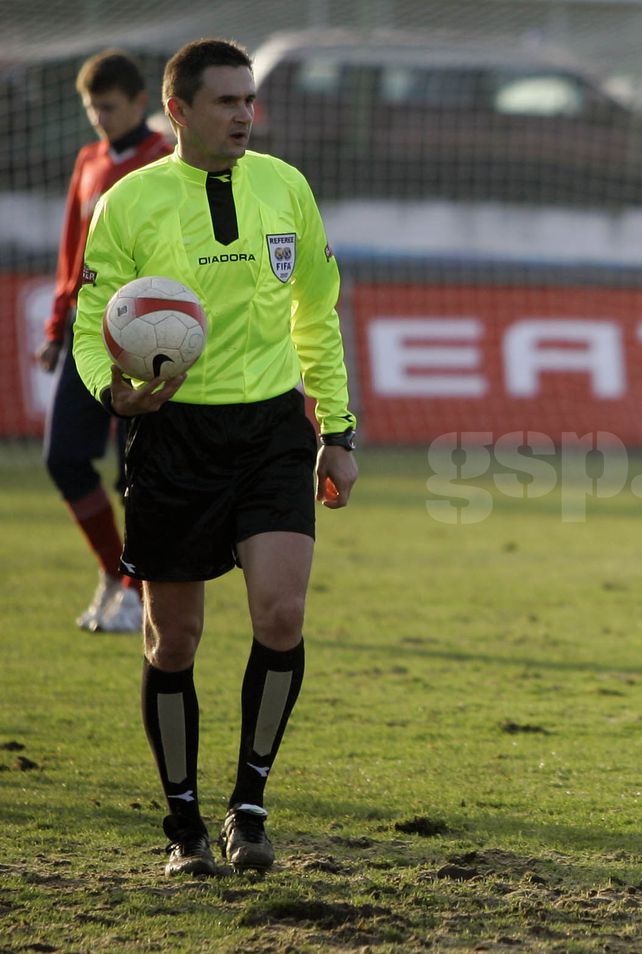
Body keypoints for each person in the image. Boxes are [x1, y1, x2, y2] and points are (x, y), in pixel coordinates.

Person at [72, 38, 359, 877]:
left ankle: (250, 807)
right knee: (175, 641)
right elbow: (96, 329)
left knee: (280, 616)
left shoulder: (286, 186)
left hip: (272, 431)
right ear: (179, 111)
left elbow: (318, 309)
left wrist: (336, 431)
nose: (244, 114)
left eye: (249, 99)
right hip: (173, 436)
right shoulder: (128, 204)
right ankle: (183, 824)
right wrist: (110, 394)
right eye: (227, 101)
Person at [39, 50, 173, 633]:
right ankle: (115, 573)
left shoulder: (166, 160)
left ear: (140, 103)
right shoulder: (90, 160)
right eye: (92, 109)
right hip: (86, 331)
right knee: (64, 457)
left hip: (143, 333)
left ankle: (139, 591)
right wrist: (55, 324)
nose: (99, 119)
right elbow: (73, 248)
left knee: (134, 471)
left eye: (109, 108)